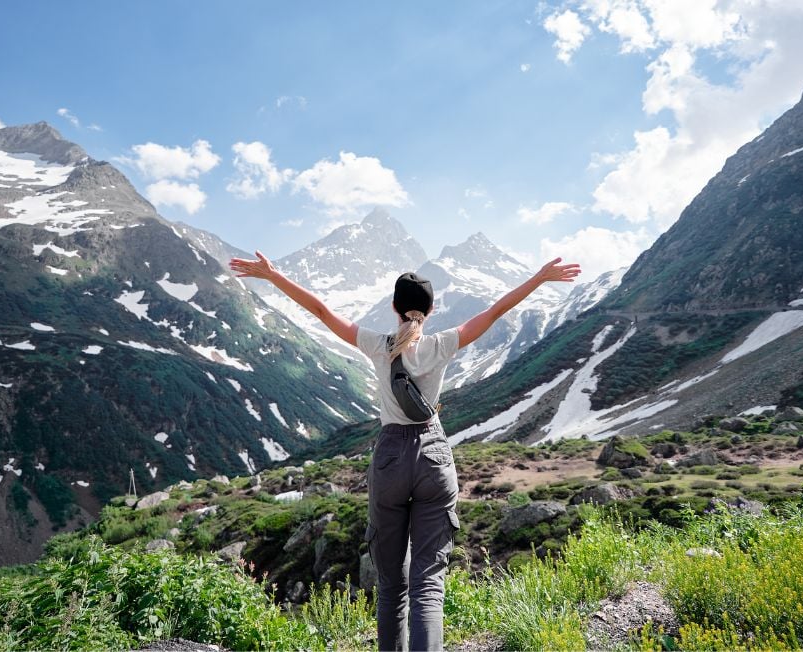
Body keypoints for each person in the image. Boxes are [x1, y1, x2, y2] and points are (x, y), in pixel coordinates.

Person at [228, 251, 580, 651]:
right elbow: (496, 311)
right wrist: (539, 277)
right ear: (429, 311)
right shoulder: (442, 344)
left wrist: (274, 277)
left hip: (391, 457)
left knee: (393, 585)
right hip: (434, 455)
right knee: (428, 583)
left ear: (394, 308)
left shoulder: (378, 345)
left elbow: (322, 312)